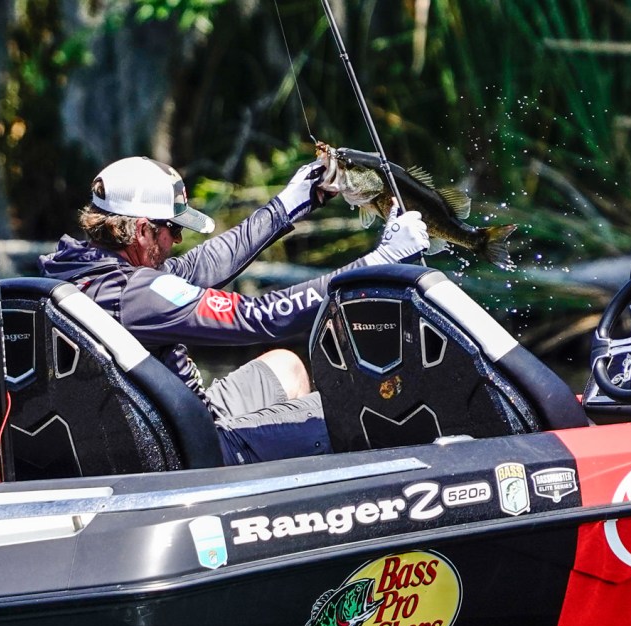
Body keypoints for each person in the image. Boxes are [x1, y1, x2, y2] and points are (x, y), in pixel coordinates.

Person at [39, 156, 428, 465]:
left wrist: (290, 204)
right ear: (142, 230)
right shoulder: (137, 296)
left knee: (286, 365)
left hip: (169, 419)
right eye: (172, 229)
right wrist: (378, 262)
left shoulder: (85, 272)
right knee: (349, 410)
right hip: (189, 448)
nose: (178, 239)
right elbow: (260, 316)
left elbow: (203, 265)